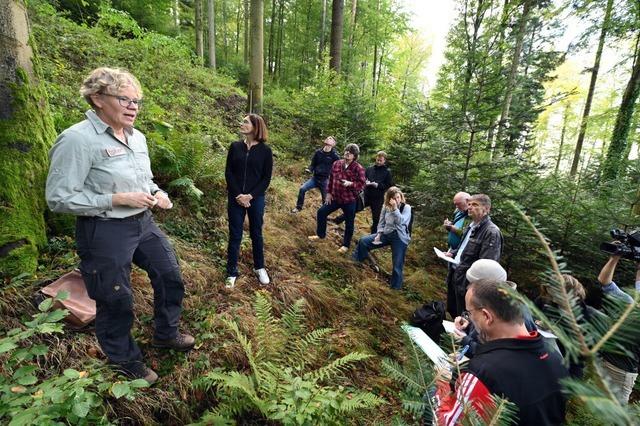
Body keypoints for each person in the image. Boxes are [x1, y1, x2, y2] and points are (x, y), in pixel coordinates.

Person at [45, 67, 194, 385]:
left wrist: (159, 194)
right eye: (124, 98)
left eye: (137, 100)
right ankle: (126, 363)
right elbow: (58, 198)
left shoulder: (137, 138)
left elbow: (147, 180)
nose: (133, 106)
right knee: (116, 298)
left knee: (170, 276)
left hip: (143, 224)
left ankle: (166, 334)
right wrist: (115, 199)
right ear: (97, 98)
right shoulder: (77, 140)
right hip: (104, 230)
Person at [435, 280, 568, 425]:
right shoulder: (557, 360)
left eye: (470, 313)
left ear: (487, 316)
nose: (470, 319)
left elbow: (446, 423)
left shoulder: (483, 373)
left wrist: (443, 384)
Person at [225, 113, 273, 288]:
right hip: (235, 197)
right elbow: (228, 172)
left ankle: (259, 267)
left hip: (256, 199)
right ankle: (231, 272)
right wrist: (239, 195)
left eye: (246, 122)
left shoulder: (266, 151)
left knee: (256, 233)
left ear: (255, 126)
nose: (242, 124)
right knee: (235, 234)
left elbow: (266, 178)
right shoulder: (235, 146)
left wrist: (250, 196)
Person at [452, 259, 537, 358]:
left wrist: (465, 341)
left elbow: (496, 356)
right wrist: (469, 321)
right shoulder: (495, 303)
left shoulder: (515, 316)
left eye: (473, 285)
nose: (470, 289)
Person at [444, 194, 503, 318]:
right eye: (469, 204)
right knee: (454, 311)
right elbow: (463, 248)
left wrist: (473, 291)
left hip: (468, 284)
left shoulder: (491, 232)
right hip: (456, 275)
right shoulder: (471, 227)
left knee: (465, 318)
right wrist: (452, 253)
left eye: (475, 205)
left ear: (486, 209)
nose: (470, 207)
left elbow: (486, 269)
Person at [596, 254, 639, 404]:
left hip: (621, 373)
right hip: (601, 361)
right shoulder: (628, 304)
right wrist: (614, 258)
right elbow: (604, 282)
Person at [308, 143, 366, 254]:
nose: (348, 153)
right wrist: (329, 193)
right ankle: (321, 235)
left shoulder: (358, 168)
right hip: (335, 197)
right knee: (321, 212)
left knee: (349, 222)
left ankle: (345, 245)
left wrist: (350, 184)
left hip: (349, 200)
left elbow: (362, 185)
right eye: (347, 151)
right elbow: (330, 179)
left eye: (351, 152)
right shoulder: (336, 163)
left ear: (355, 156)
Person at [352, 187, 411, 290]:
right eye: (394, 198)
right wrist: (379, 234)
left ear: (401, 197)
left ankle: (395, 288)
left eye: (398, 197)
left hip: (399, 237)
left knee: (397, 264)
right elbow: (381, 222)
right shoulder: (385, 207)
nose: (396, 200)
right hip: (386, 234)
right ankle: (355, 263)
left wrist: (395, 209)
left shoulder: (406, 208)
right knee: (363, 241)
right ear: (389, 199)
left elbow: (402, 221)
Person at [333, 151, 392, 234]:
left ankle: (373, 236)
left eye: (380, 161)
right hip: (366, 195)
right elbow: (361, 180)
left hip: (377, 198)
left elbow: (388, 185)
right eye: (377, 160)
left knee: (376, 218)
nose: (378, 162)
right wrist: (366, 183)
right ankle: (337, 220)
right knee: (354, 209)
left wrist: (378, 185)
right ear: (376, 158)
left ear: (384, 161)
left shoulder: (387, 172)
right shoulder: (369, 169)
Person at [291, 136, 340, 213]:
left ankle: (323, 214)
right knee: (302, 189)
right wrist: (310, 169)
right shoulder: (318, 152)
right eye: (327, 138)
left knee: (325, 199)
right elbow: (313, 164)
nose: (328, 139)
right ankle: (298, 207)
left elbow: (339, 167)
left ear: (334, 144)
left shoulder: (335, 156)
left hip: (325, 180)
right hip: (315, 179)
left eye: (331, 139)